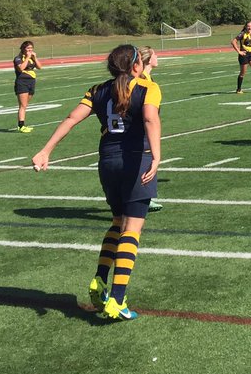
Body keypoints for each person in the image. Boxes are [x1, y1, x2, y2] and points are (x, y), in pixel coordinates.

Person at [31, 44, 162, 321]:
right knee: (132, 229)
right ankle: (117, 298)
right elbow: (150, 118)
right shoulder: (148, 88)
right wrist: (157, 156)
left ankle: (100, 280)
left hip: (107, 161)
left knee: (117, 222)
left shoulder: (98, 90)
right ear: (137, 66)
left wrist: (46, 150)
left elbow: (72, 118)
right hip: (136, 160)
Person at [139, 47, 163, 212]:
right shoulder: (143, 80)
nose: (157, 57)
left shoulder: (147, 77)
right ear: (148, 59)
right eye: (155, 54)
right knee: (146, 160)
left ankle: (146, 197)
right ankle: (144, 198)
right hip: (141, 127)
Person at [13, 39, 41, 133]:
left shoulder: (32, 57)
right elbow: (21, 68)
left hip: (31, 82)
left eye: (31, 48)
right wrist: (28, 57)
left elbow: (39, 67)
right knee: (23, 105)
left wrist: (35, 58)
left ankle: (22, 125)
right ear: (23, 49)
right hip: (22, 82)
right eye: (28, 48)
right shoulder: (18, 58)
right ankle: (21, 125)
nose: (30, 50)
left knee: (25, 105)